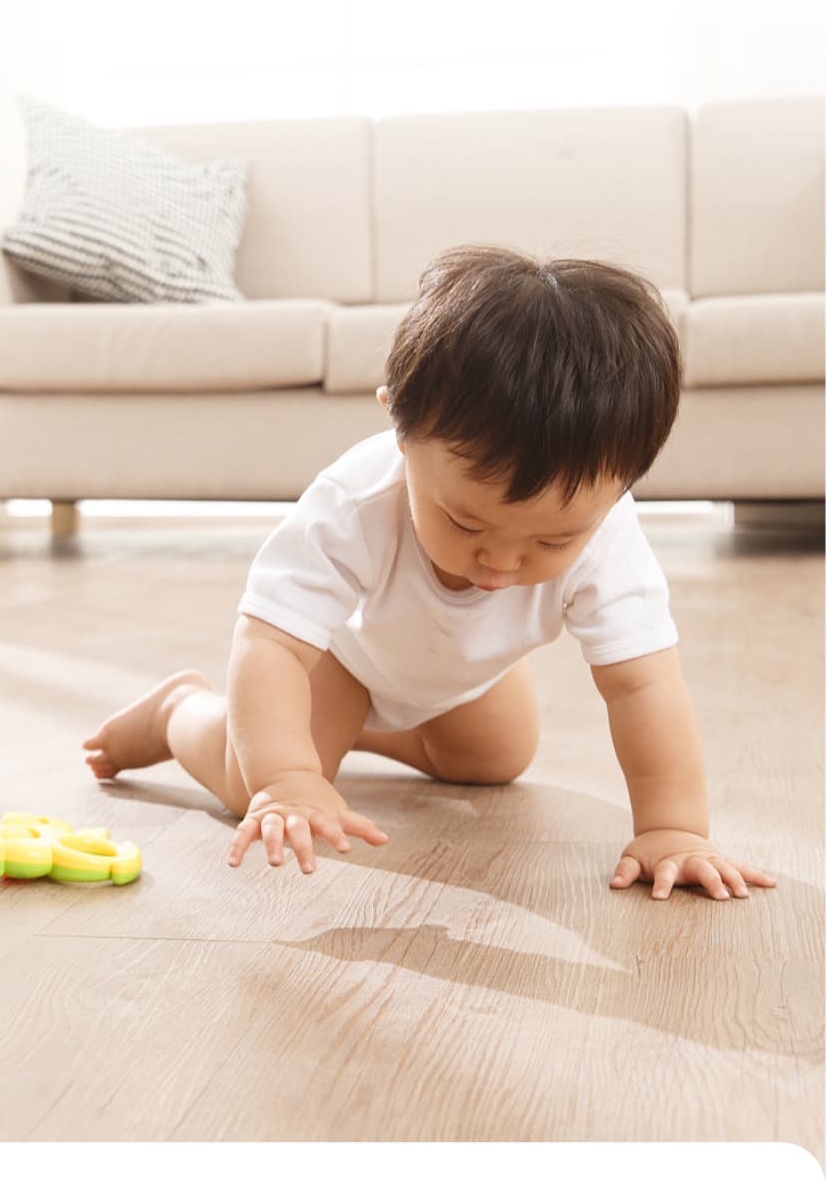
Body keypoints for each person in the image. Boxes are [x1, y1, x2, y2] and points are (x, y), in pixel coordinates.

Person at [83, 244, 776, 901]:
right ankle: (179, 710)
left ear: (626, 480)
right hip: (343, 660)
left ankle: (348, 728)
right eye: (465, 524)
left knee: (496, 761)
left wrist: (673, 828)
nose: (501, 564)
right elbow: (271, 643)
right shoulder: (355, 502)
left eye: (552, 540)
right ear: (399, 428)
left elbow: (642, 684)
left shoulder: (608, 535)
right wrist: (287, 776)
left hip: (465, 671)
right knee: (253, 782)